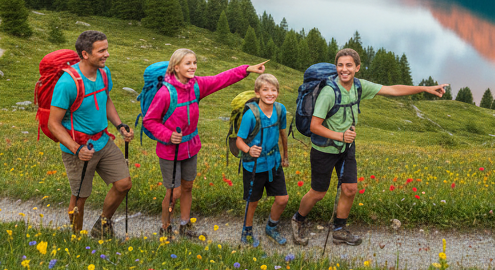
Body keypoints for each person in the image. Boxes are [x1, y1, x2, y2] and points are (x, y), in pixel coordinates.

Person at [291, 48, 446, 246]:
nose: (344, 70)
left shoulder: (359, 86)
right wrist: (341, 135)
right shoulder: (329, 92)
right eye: (340, 65)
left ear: (357, 67)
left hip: (346, 148)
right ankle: (298, 219)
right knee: (318, 193)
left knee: (350, 189)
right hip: (324, 150)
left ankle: (339, 229)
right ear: (336, 67)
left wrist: (424, 88)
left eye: (348, 65)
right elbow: (315, 126)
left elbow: (392, 89)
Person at [143, 48, 267, 240]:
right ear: (176, 67)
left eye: (194, 63)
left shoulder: (196, 85)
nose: (193, 67)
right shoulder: (165, 93)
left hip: (191, 146)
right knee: (174, 192)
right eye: (188, 63)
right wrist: (167, 135)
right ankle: (165, 227)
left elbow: (221, 79)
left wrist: (247, 69)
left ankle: (184, 225)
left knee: (188, 187)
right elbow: (149, 121)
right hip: (170, 150)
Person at [46, 30, 134, 240]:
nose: (107, 54)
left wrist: (120, 125)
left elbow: (106, 100)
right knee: (80, 197)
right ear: (85, 54)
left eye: (107, 49)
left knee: (123, 184)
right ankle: (76, 238)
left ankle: (102, 225)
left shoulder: (104, 73)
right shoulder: (68, 83)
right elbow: (53, 124)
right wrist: (77, 149)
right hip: (78, 148)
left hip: (102, 141)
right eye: (101, 50)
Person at [234, 73, 289, 247]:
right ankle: (247, 230)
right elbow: (239, 141)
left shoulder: (280, 110)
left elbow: (282, 134)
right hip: (254, 165)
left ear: (278, 93)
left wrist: (285, 155)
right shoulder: (250, 115)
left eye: (273, 90)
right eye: (265, 90)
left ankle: (271, 227)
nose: (270, 93)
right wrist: (249, 149)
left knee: (283, 199)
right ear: (257, 93)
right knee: (253, 201)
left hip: (273, 163)